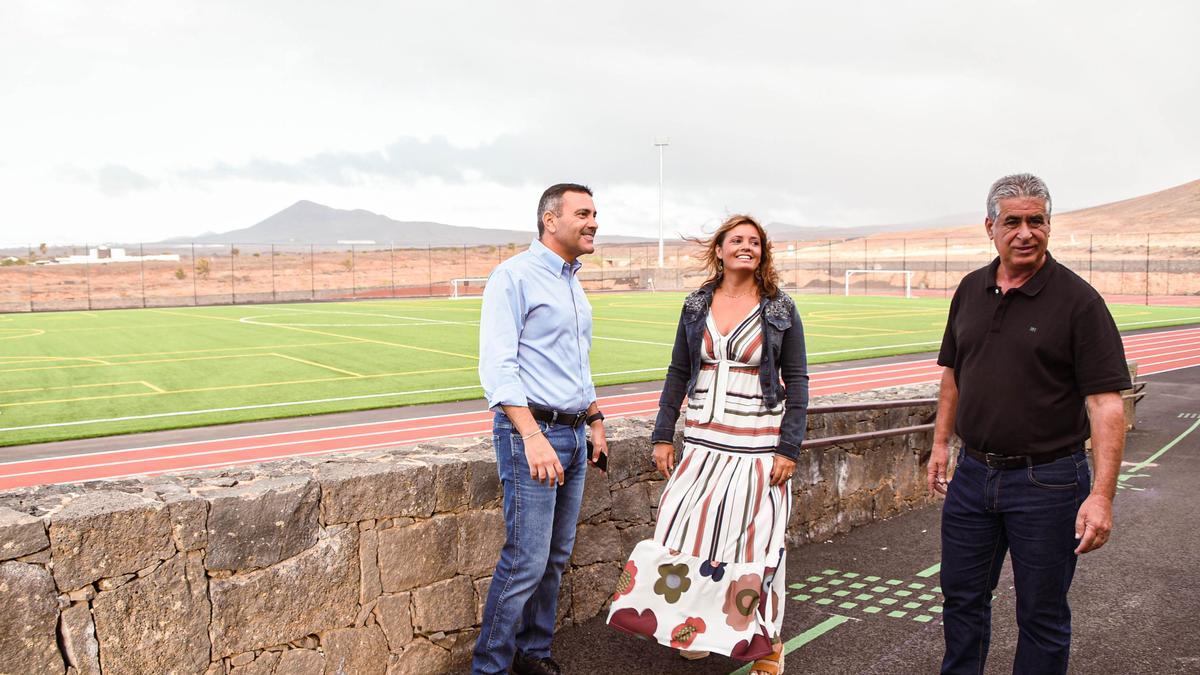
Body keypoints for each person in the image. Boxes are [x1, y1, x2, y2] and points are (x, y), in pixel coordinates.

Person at [928, 173, 1131, 674]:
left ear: (1049, 225)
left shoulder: (1079, 302)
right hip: (973, 475)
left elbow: (1106, 404)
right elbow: (954, 373)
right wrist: (940, 443)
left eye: (1035, 221)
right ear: (990, 227)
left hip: (1050, 481)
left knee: (1041, 614)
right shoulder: (971, 289)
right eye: (1012, 221)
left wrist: (1102, 495)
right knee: (961, 599)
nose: (1025, 232)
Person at [607, 214, 809, 675]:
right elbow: (678, 371)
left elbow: (797, 380)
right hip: (702, 444)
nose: (746, 247)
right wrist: (663, 434)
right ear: (718, 250)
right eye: (736, 240)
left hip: (758, 448)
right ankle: (692, 628)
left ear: (763, 253)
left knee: (756, 547)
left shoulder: (780, 309)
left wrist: (788, 449)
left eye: (754, 242)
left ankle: (767, 644)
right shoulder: (696, 305)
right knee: (683, 534)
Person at [472, 183, 609, 675]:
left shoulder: (572, 281)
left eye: (595, 213)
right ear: (551, 220)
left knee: (554, 559)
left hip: (573, 433)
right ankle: (489, 667)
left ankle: (534, 655)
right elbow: (498, 368)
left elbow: (576, 361)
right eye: (583, 213)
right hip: (533, 434)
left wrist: (594, 419)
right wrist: (531, 436)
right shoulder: (514, 276)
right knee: (525, 560)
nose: (594, 221)